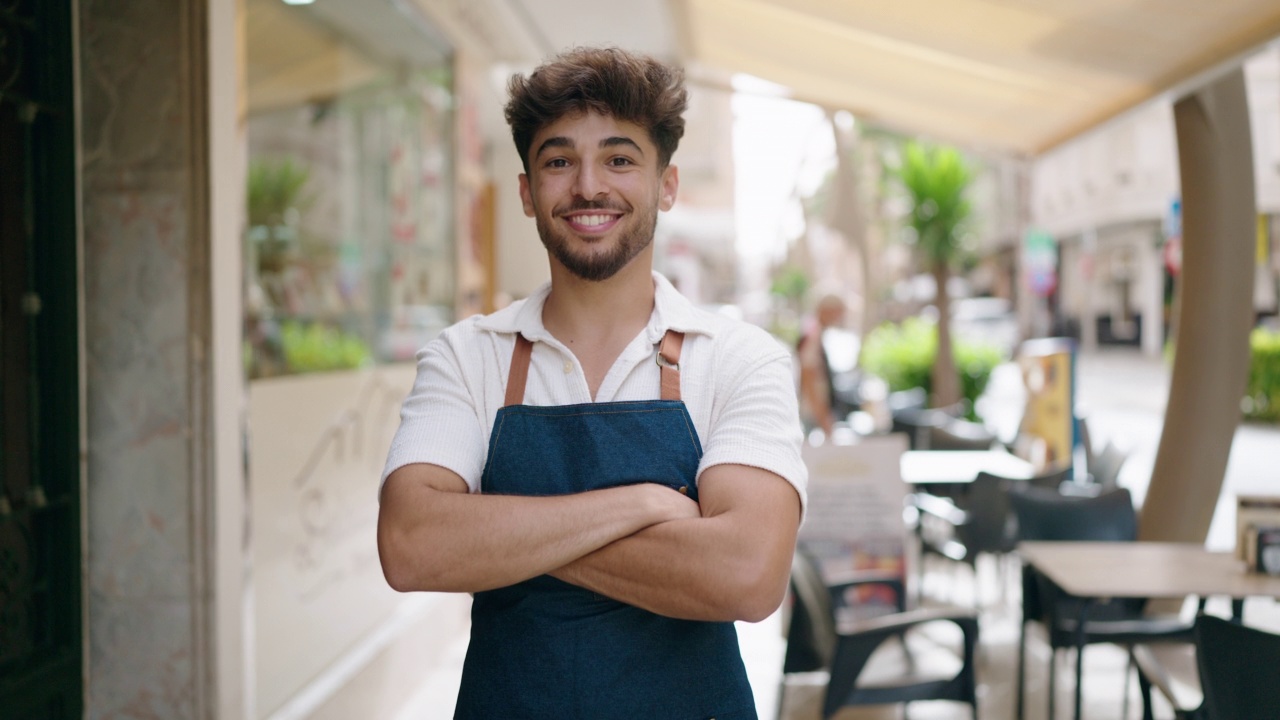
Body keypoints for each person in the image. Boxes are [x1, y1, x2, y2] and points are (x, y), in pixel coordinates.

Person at [376, 47, 807, 719]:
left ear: (666, 185)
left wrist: (500, 537)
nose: (587, 186)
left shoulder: (739, 360)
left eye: (619, 158)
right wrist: (639, 504)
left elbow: (747, 576)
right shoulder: (467, 357)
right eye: (557, 161)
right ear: (526, 191)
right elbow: (411, 546)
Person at [797, 293, 848, 437]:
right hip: (810, 414)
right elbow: (807, 377)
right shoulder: (812, 334)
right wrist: (822, 415)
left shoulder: (814, 332)